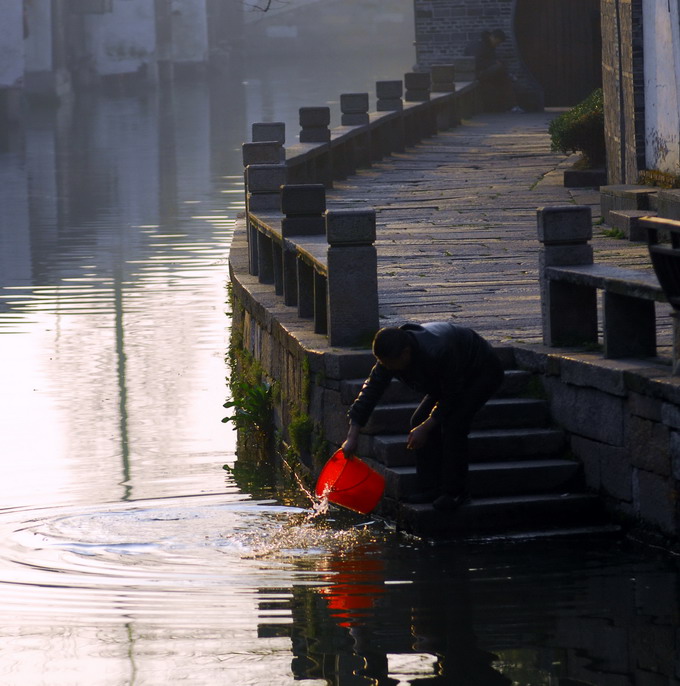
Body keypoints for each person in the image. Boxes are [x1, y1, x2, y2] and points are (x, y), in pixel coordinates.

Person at [341, 322, 504, 511]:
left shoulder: (437, 351)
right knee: (418, 421)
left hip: (480, 371)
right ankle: (430, 488)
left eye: (393, 365)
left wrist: (426, 428)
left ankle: (456, 493)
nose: (390, 369)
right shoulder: (390, 357)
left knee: (454, 424)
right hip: (444, 380)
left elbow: (453, 396)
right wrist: (352, 436)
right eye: (385, 364)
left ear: (406, 353)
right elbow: (371, 391)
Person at [464, 29, 520, 112]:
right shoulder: (479, 45)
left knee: (503, 76)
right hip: (476, 73)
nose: (497, 45)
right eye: (497, 43)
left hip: (483, 71)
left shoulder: (487, 45)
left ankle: (510, 105)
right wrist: (493, 63)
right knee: (501, 71)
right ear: (493, 37)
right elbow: (477, 62)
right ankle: (512, 105)